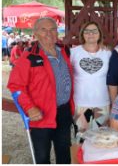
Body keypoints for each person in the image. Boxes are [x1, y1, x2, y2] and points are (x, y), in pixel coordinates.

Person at [8, 17, 75, 164]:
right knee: (42, 157)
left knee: (64, 153)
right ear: (36, 33)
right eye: (43, 30)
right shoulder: (29, 56)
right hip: (41, 114)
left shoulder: (64, 51)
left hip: (63, 112)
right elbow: (15, 85)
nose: (49, 33)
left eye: (52, 29)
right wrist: (29, 108)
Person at [70, 21, 112, 138]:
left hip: (102, 102)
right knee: (81, 138)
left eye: (94, 31)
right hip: (80, 104)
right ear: (82, 34)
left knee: (102, 139)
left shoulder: (107, 53)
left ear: (99, 34)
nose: (91, 34)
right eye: (87, 31)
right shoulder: (73, 53)